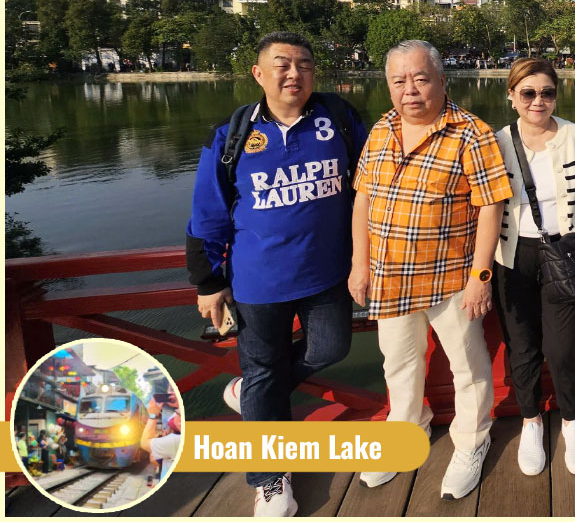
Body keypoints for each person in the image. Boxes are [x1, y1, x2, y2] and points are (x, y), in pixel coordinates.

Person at [185, 31, 366, 517]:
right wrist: (208, 281)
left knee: (330, 348)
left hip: (329, 273)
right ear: (258, 74)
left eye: (304, 65)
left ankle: (253, 392)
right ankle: (269, 477)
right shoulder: (233, 134)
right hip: (257, 281)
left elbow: (374, 183)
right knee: (264, 369)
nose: (294, 74)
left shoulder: (341, 120)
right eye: (282, 64)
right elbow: (207, 214)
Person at [349, 40, 512, 500]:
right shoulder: (382, 128)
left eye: (421, 79)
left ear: (442, 80)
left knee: (468, 366)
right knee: (398, 364)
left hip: (450, 278)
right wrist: (360, 263)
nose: (410, 90)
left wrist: (481, 276)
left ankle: (472, 441)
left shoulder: (471, 132)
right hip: (388, 276)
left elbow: (489, 206)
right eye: (399, 81)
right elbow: (362, 197)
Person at [492, 58, 575, 476]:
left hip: (565, 251)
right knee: (522, 346)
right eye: (529, 93)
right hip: (512, 253)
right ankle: (531, 420)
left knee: (562, 347)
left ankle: (571, 420)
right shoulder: (498, 141)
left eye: (547, 92)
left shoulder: (573, 135)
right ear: (512, 96)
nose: (539, 101)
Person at [140, 396, 182, 483]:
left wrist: (153, 415)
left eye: (177, 412)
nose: (174, 415)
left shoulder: (175, 442)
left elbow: (145, 443)